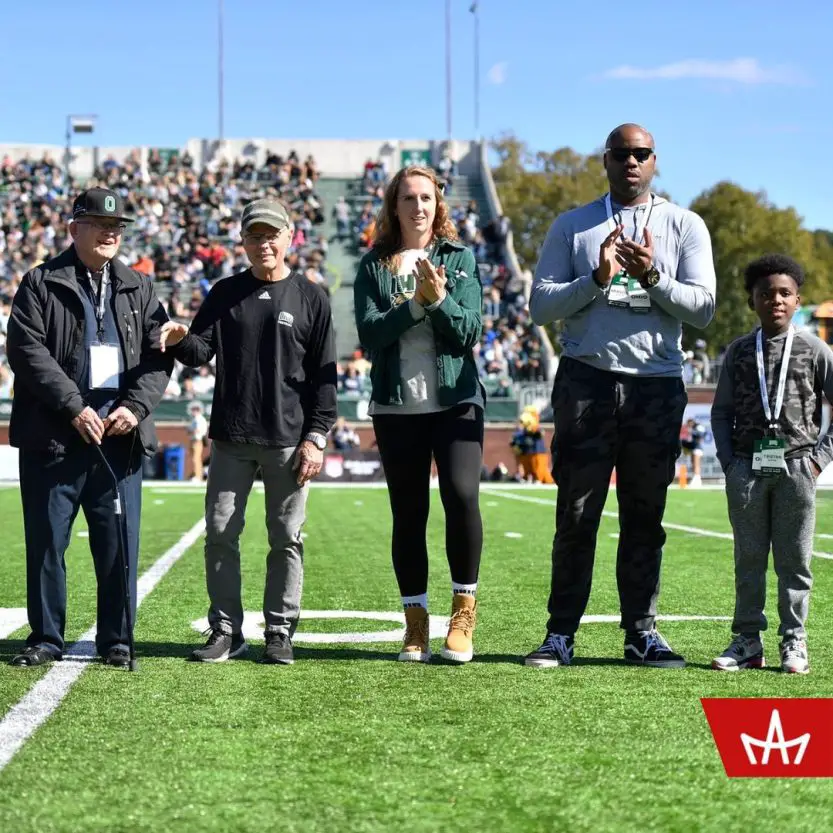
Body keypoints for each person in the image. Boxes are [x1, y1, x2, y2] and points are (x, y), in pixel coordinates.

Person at [524, 123, 716, 669]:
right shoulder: (573, 225)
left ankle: (641, 633)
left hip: (655, 386)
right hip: (586, 380)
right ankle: (560, 633)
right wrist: (597, 277)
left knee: (644, 514)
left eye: (642, 154)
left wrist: (653, 274)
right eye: (622, 154)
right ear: (604, 160)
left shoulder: (685, 225)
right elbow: (540, 307)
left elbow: (702, 308)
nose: (632, 162)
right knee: (576, 512)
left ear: (655, 161)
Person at [155, 198, 337, 665]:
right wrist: (178, 339)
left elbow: (325, 378)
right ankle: (226, 631)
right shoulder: (224, 292)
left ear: (290, 237)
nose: (264, 243)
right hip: (232, 437)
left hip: (289, 441)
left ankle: (279, 630)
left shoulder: (312, 297)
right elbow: (200, 352)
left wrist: (316, 437)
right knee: (219, 533)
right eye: (255, 235)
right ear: (243, 241)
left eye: (272, 234)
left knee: (286, 538)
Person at [6, 187, 173, 667]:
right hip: (56, 436)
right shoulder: (39, 282)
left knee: (118, 544)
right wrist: (74, 406)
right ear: (74, 228)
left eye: (117, 227)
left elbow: (159, 358)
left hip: (118, 439)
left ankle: (116, 639)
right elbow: (27, 351)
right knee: (46, 545)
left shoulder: (140, 287)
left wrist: (136, 409)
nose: (110, 234)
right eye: (100, 225)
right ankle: (46, 638)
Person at [353, 165, 484, 664]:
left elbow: (469, 332)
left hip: (456, 400)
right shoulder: (374, 265)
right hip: (396, 405)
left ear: (438, 204)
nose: (418, 206)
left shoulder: (460, 258)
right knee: (408, 513)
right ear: (394, 206)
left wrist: (441, 299)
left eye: (426, 197)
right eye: (408, 198)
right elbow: (370, 334)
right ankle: (415, 624)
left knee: (461, 495)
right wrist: (415, 305)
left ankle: (462, 614)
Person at [711, 254, 833, 675]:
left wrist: (819, 460)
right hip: (746, 469)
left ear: (797, 299)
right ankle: (747, 640)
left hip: (798, 467)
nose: (775, 300)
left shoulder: (816, 350)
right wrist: (729, 463)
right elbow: (720, 412)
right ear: (752, 301)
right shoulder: (740, 352)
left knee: (795, 560)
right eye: (766, 294)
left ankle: (793, 639)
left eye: (784, 293)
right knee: (748, 558)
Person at [187, 400, 208, 482]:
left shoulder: (200, 419)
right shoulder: (194, 419)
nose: (193, 411)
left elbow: (197, 430)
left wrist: (191, 431)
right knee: (195, 458)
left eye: (196, 409)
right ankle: (198, 475)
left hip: (197, 440)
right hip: (193, 440)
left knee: (196, 459)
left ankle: (198, 476)